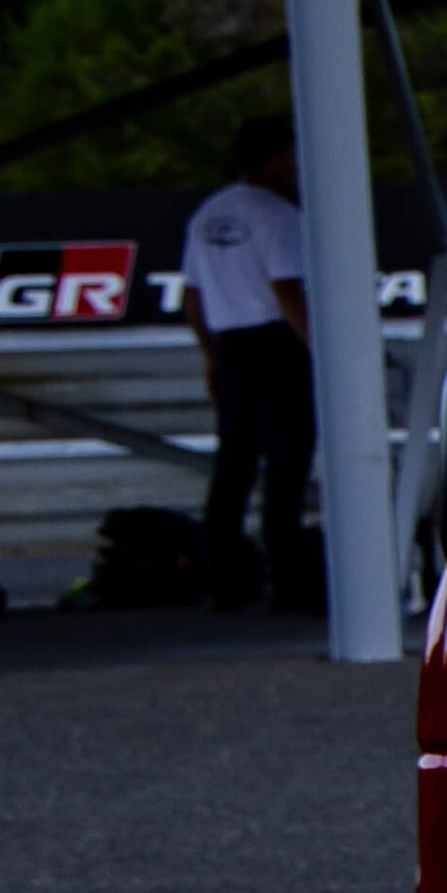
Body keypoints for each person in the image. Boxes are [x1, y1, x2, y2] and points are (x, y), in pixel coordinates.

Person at [178, 118, 314, 610]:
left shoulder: (209, 214)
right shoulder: (278, 216)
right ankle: (285, 579)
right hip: (277, 345)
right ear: (275, 158)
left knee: (233, 466)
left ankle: (222, 580)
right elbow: (286, 291)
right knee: (285, 464)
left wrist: (212, 355)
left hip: (232, 345)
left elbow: (191, 296)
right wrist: (318, 351)